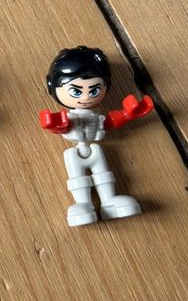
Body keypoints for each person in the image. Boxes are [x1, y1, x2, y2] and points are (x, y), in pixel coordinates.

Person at [40, 46, 153, 226]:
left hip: (94, 149)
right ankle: (83, 204)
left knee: (103, 174)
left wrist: (127, 114)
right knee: (77, 177)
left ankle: (109, 201)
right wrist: (55, 125)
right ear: (52, 87)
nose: (86, 97)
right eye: (76, 91)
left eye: (93, 91)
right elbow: (59, 126)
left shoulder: (95, 117)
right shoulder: (68, 117)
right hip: (76, 153)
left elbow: (108, 122)